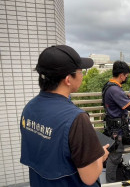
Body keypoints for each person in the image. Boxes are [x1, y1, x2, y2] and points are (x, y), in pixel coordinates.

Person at [20, 45, 109, 187]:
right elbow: (89, 177)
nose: (82, 75)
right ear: (68, 79)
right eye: (81, 71)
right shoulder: (76, 118)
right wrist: (101, 156)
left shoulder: (29, 108)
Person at [102, 60, 130, 183]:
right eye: (126, 76)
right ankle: (111, 183)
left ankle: (114, 177)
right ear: (121, 75)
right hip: (117, 129)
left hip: (112, 126)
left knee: (114, 155)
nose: (126, 78)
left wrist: (128, 97)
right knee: (114, 157)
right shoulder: (115, 90)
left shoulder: (109, 86)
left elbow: (116, 102)